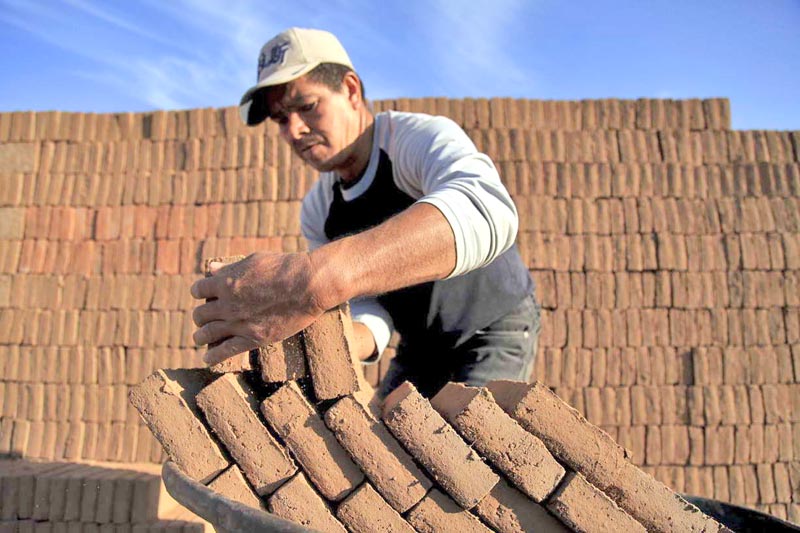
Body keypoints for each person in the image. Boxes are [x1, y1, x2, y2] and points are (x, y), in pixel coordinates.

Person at [190, 27, 540, 398]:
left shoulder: (414, 140)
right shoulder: (318, 209)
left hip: (492, 325)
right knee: (388, 446)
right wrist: (325, 345)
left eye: (306, 106)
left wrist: (314, 277)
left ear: (351, 90)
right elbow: (368, 307)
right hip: (420, 343)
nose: (294, 130)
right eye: (280, 119)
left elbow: (487, 209)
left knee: (471, 442)